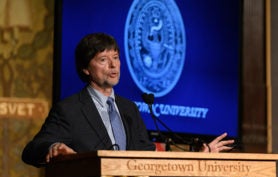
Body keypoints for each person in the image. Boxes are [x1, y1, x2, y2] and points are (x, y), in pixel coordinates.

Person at [21, 33, 235, 167]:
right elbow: (32, 150)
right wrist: (55, 147)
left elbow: (151, 161)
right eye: (103, 60)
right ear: (86, 69)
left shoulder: (129, 109)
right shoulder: (69, 109)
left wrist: (197, 157)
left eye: (116, 57)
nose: (114, 66)